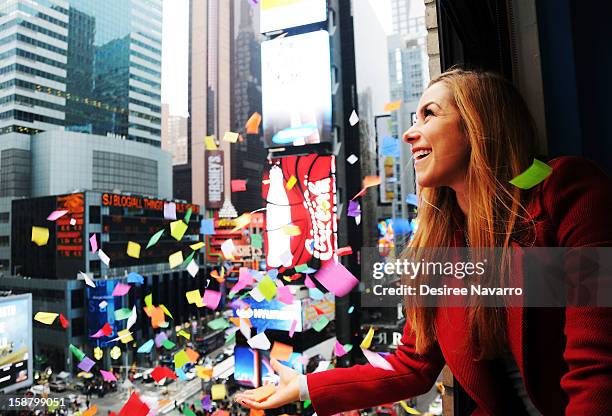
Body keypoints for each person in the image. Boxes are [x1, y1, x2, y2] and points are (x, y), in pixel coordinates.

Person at [235, 69, 612, 415]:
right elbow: (413, 365)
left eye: (429, 114)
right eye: (414, 118)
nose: (409, 133)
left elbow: (598, 367)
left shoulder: (568, 192)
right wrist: (303, 385)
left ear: (478, 124)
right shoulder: (439, 247)